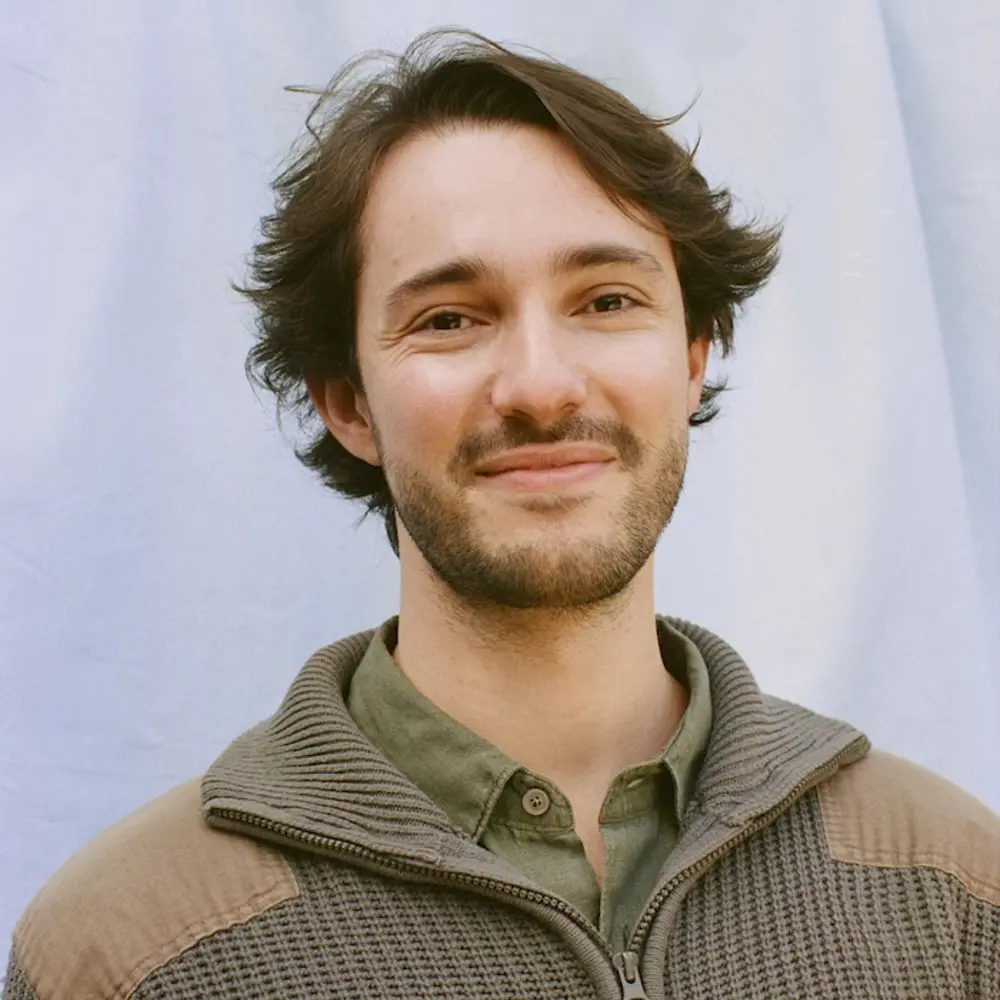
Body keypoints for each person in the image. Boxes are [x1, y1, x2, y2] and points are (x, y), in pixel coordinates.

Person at [5, 28, 998, 1000]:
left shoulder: (950, 885)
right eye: (449, 319)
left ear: (691, 357)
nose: (539, 385)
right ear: (347, 401)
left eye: (605, 300)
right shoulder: (135, 947)